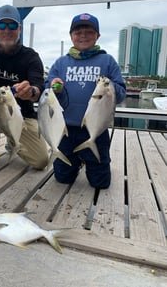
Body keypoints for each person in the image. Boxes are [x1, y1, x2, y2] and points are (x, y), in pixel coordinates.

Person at [45, 13, 126, 189]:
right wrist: (53, 86)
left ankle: (88, 159)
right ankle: (77, 160)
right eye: (78, 31)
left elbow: (121, 93)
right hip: (65, 130)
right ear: (71, 36)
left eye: (89, 32)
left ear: (97, 35)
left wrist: (109, 86)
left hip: (96, 129)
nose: (83, 35)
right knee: (62, 178)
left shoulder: (108, 61)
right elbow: (46, 90)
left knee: (101, 183)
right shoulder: (61, 63)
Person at [0, 4, 49, 169]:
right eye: (2, 25)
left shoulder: (31, 57)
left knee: (41, 161)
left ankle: (12, 140)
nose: (7, 30)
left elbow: (38, 89)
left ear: (19, 28)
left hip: (23, 115)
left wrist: (31, 92)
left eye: (12, 25)